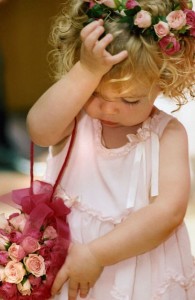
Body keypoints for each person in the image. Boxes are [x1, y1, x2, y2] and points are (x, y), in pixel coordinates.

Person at [27, 0, 195, 299]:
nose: (109, 109)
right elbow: (40, 131)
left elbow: (168, 212)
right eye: (95, 93)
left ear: (164, 82)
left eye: (130, 100)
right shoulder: (74, 118)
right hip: (69, 262)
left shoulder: (168, 134)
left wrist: (96, 255)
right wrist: (87, 71)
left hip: (139, 270)